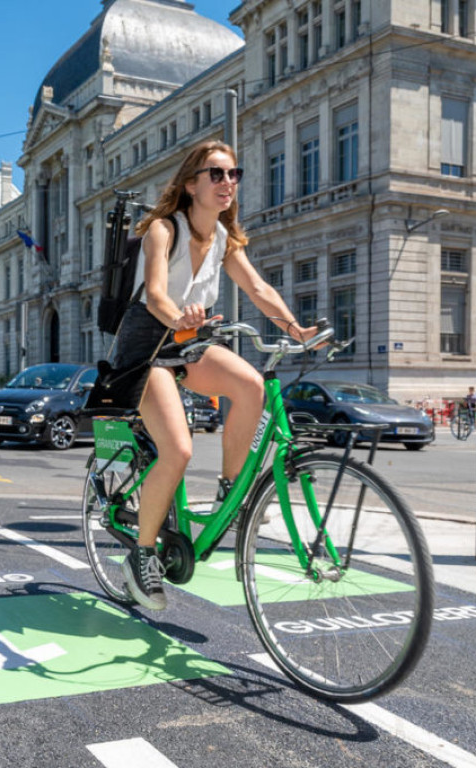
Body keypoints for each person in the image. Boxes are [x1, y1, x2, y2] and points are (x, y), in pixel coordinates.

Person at [112, 140, 320, 611]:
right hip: (148, 348)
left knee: (250, 387)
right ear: (191, 184)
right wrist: (178, 318)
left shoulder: (225, 239)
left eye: (234, 174)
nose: (228, 183)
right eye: (216, 174)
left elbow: (259, 287)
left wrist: (297, 329)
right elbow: (157, 296)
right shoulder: (164, 230)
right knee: (179, 449)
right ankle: (142, 558)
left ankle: (232, 495)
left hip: (190, 344)